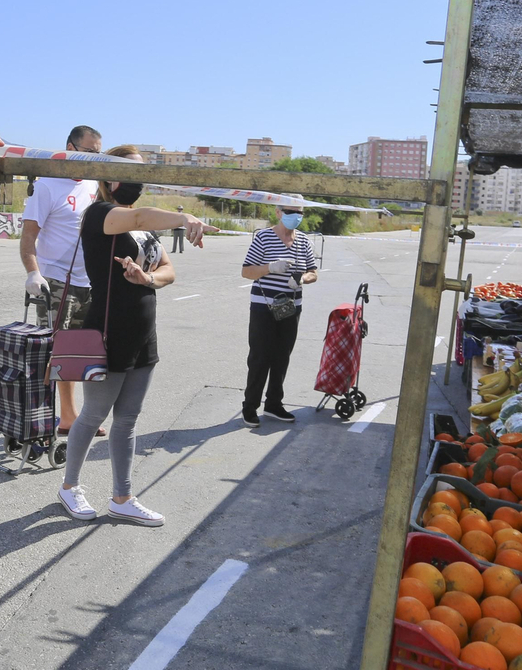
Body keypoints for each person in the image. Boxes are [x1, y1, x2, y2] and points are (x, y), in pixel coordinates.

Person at [57, 146, 213, 526]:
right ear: (110, 177)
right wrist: (184, 216)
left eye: (142, 173)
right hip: (108, 329)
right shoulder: (100, 214)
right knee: (94, 414)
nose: (138, 180)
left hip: (143, 333)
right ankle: (69, 487)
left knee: (128, 419)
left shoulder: (142, 227)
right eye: (131, 172)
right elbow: (140, 214)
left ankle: (122, 497)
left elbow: (168, 270)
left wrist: (148, 278)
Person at [20, 124, 102, 434]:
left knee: (83, 352)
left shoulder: (95, 186)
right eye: (89, 151)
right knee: (59, 353)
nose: (95, 158)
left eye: (99, 153)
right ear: (70, 147)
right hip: (56, 281)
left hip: (89, 281)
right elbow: (28, 237)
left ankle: (74, 415)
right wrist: (32, 272)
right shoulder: (48, 186)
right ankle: (64, 416)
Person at [238, 205, 319, 427]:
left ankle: (274, 404)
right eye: (290, 211)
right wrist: (270, 268)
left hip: (291, 307)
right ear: (278, 212)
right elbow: (246, 271)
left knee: (282, 356)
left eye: (299, 212)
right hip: (264, 306)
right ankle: (250, 406)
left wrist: (302, 279)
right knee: (260, 357)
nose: (296, 216)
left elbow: (313, 272)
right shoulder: (263, 237)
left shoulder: (303, 241)